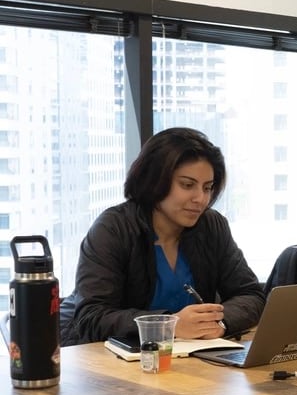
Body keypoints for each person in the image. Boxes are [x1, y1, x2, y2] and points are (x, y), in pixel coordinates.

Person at [59, 127, 265, 346]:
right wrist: (169, 324)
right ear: (154, 180)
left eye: (208, 187)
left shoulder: (212, 226)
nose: (201, 198)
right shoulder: (113, 228)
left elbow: (251, 295)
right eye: (187, 185)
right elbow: (92, 317)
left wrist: (218, 324)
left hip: (180, 358)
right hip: (97, 359)